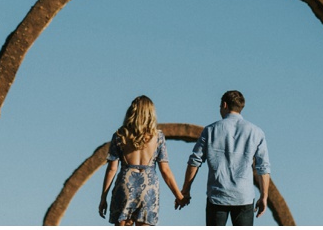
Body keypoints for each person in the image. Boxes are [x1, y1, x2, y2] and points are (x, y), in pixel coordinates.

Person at [177, 90, 271, 226]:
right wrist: (264, 196)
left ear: (224, 105)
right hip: (244, 197)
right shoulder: (256, 132)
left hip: (217, 197)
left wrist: (185, 191)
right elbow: (263, 168)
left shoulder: (210, 130)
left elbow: (194, 162)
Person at [99, 95, 184, 226]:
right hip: (149, 187)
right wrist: (179, 196)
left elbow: (112, 169)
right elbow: (165, 171)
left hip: (125, 184)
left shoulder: (120, 135)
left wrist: (103, 198)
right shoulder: (158, 137)